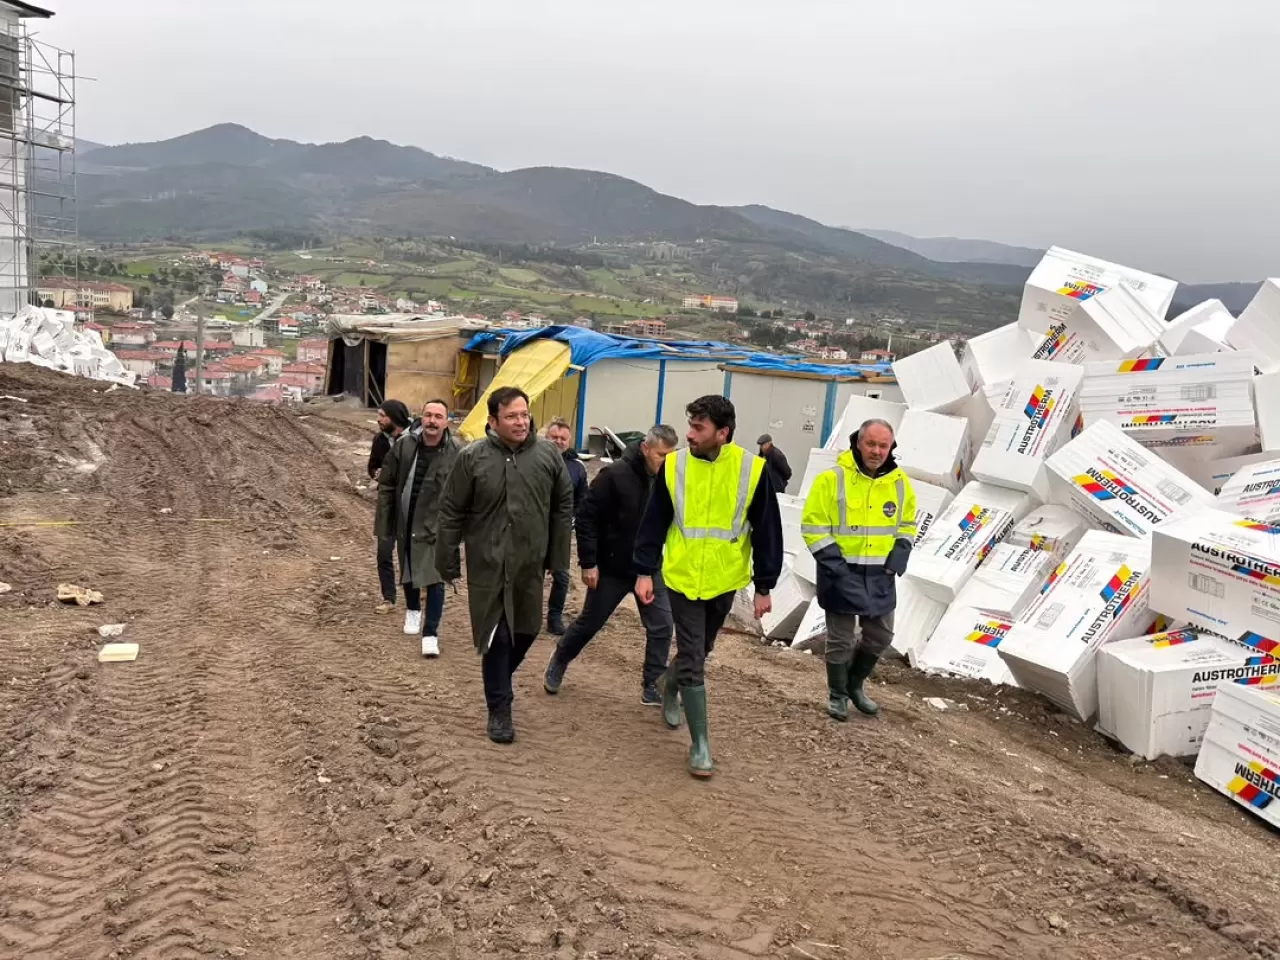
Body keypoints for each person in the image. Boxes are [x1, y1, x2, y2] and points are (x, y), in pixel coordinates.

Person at [633, 395, 783, 778]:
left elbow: (768, 530)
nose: (689, 434)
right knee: (694, 656)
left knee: (702, 649)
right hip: (682, 578)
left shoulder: (752, 469)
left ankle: (669, 682)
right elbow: (654, 521)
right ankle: (700, 746)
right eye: (691, 425)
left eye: (698, 427)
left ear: (723, 432)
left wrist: (764, 585)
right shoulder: (675, 466)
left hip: (723, 580)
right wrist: (644, 571)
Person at [437, 386, 574, 744]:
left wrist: (557, 557)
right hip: (488, 564)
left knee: (527, 630)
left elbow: (563, 504)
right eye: (511, 416)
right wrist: (447, 559)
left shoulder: (547, 454)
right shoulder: (473, 458)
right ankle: (500, 709)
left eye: (524, 414)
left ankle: (497, 678)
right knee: (497, 636)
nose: (521, 422)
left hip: (530, 563)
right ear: (493, 421)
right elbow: (451, 510)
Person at [543, 424, 680, 704]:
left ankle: (652, 685)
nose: (667, 461)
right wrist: (589, 562)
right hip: (612, 567)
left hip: (648, 568)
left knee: (662, 626)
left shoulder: (669, 480)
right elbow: (586, 518)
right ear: (645, 449)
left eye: (671, 455)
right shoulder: (614, 476)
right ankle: (560, 658)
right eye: (661, 455)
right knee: (590, 623)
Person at [801, 418, 917, 722]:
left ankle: (854, 684)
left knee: (881, 635)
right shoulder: (831, 480)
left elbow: (907, 523)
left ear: (891, 447)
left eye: (883, 445)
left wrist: (899, 556)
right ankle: (837, 695)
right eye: (871, 444)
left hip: (880, 574)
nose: (877, 451)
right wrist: (836, 568)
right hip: (840, 572)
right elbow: (813, 526)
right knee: (841, 638)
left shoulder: (900, 483)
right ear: (858, 443)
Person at [376, 399, 461, 654]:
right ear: (421, 418)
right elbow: (388, 483)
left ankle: (431, 634)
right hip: (407, 517)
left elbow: (465, 493)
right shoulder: (404, 446)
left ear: (446, 422)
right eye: (428, 415)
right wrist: (386, 519)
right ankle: (413, 609)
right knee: (410, 569)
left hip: (437, 526)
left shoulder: (457, 452)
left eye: (438, 416)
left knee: (436, 577)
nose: (432, 421)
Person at [543, 417, 588, 635]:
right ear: (546, 438)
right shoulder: (534, 461)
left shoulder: (578, 468)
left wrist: (573, 519)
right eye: (554, 437)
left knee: (561, 577)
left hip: (561, 532)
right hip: (534, 529)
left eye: (563, 438)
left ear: (569, 441)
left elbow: (583, 500)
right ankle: (524, 617)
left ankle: (554, 618)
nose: (558, 441)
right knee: (531, 577)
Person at [370, 400, 411, 615]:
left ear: (394, 417)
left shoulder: (415, 439)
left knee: (411, 551)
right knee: (384, 553)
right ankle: (389, 598)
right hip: (387, 503)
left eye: (382, 415)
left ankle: (417, 589)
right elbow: (372, 466)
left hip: (410, 504)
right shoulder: (379, 440)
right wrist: (376, 474)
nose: (378, 419)